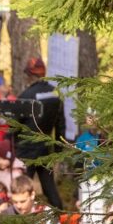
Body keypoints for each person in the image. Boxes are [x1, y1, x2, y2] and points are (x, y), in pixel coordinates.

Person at [15, 57, 67, 209]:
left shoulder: (25, 96)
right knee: (49, 188)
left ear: (30, 75)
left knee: (22, 189)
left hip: (25, 151)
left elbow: (14, 126)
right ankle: (60, 216)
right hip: (45, 149)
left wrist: (12, 150)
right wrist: (58, 150)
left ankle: (20, 220)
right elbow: (60, 124)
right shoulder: (55, 93)